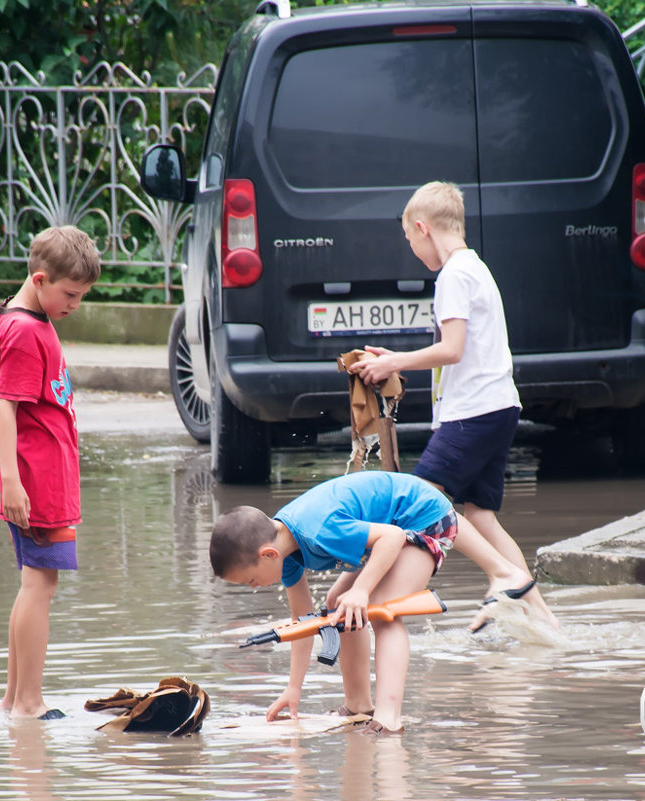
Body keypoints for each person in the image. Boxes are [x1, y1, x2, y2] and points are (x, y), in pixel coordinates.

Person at [350, 181, 558, 633]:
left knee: (418, 497)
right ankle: (540, 614)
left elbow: (453, 348)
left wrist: (395, 361)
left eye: (410, 241)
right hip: (498, 406)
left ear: (423, 228)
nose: (413, 251)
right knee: (480, 516)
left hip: (474, 412)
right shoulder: (475, 268)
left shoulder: (453, 276)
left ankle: (389, 599)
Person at [210, 470, 543, 734]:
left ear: (266, 554)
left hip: (420, 520)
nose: (255, 588)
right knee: (336, 604)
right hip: (392, 527)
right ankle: (358, 705)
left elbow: (393, 537)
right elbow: (304, 623)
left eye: (250, 580)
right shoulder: (287, 551)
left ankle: (390, 717)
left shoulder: (319, 529)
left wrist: (363, 590)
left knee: (383, 610)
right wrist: (292, 689)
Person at [0, 225, 100, 720]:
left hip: (42, 475)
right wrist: (12, 479)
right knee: (40, 586)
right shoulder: (25, 331)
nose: (75, 304)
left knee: (34, 584)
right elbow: (5, 409)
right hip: (36, 479)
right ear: (39, 279)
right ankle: (29, 702)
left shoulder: (28, 321)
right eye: (69, 294)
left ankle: (15, 699)